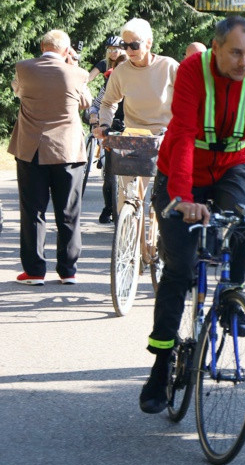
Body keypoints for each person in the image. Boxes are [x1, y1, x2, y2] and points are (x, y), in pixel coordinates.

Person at [139, 16, 245, 414]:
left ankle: (229, 298)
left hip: (231, 166)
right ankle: (160, 365)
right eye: (236, 53)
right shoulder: (194, 69)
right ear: (216, 47)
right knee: (180, 268)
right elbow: (187, 131)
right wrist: (183, 197)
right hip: (181, 170)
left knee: (243, 225)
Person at [9, 29, 92, 285]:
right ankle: (68, 271)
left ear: (41, 46)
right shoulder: (78, 73)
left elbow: (18, 92)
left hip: (31, 148)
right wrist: (74, 66)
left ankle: (34, 271)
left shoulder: (24, 68)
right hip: (67, 150)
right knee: (68, 211)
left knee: (33, 210)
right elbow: (86, 103)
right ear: (67, 51)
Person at [94, 17, 178, 211]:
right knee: (128, 196)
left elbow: (190, 99)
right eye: (125, 45)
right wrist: (105, 125)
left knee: (166, 200)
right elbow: (107, 103)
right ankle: (128, 232)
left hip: (166, 137)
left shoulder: (169, 66)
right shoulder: (121, 71)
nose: (129, 50)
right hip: (135, 138)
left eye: (134, 45)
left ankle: (160, 231)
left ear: (149, 43)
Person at [85, 36, 128, 222]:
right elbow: (96, 105)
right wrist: (94, 117)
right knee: (110, 174)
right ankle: (108, 208)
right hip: (113, 128)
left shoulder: (142, 85)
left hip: (136, 130)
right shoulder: (110, 82)